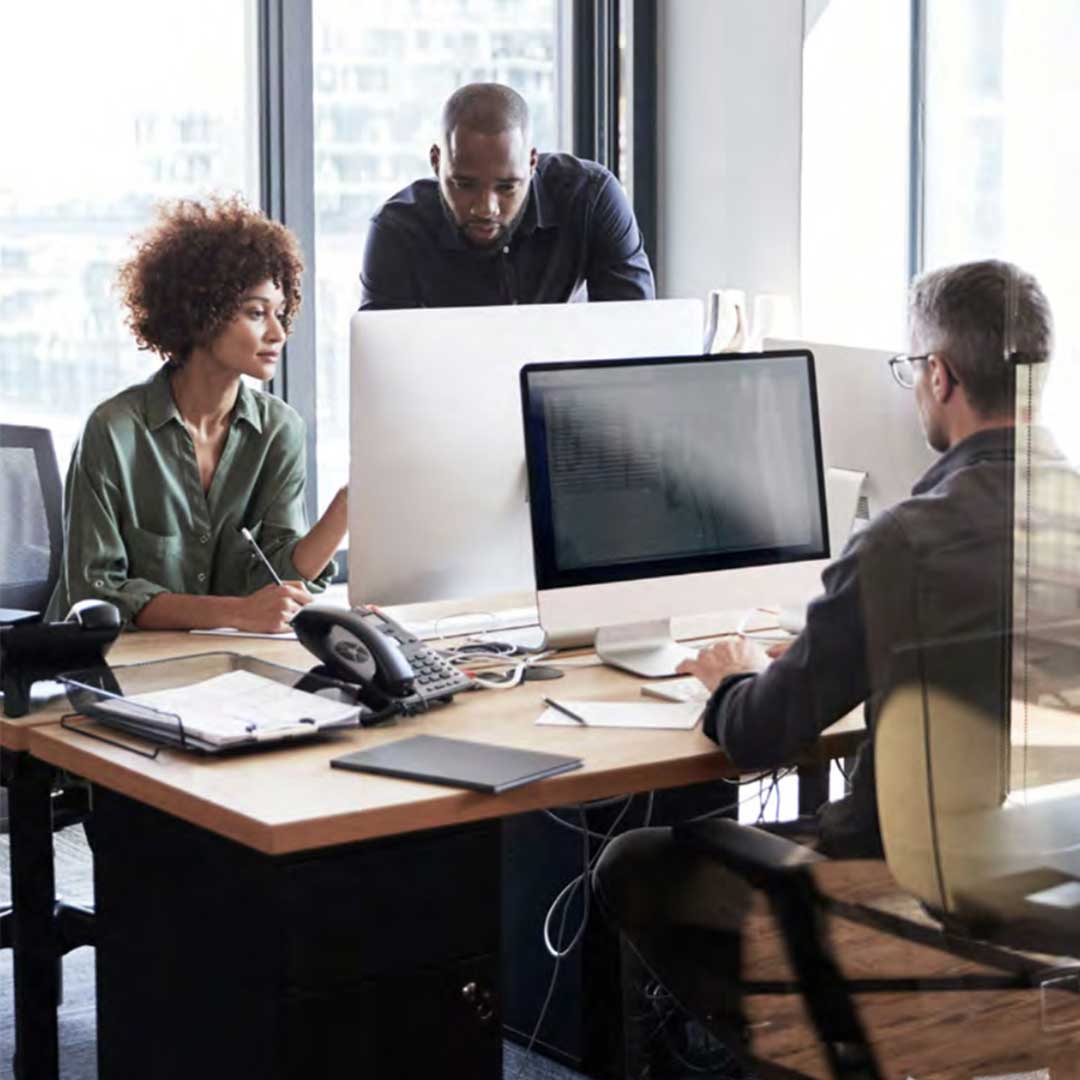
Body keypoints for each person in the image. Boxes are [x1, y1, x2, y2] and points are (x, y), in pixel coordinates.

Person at [592, 259, 1064, 1053]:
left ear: (940, 375)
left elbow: (757, 737)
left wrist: (733, 674)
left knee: (631, 863)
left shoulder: (904, 542)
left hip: (896, 908)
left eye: (913, 369)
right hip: (1051, 909)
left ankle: (829, 1046)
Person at [47, 196, 347, 633]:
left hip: (219, 666)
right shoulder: (113, 432)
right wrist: (237, 614)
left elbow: (278, 577)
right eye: (256, 313)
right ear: (202, 312)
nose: (278, 333)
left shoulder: (280, 431)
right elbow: (97, 590)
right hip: (107, 666)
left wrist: (347, 508)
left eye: (280, 314)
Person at [359, 82, 655, 309]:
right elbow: (386, 370)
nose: (485, 208)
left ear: (531, 163)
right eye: (464, 184)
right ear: (437, 163)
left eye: (506, 187)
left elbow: (636, 332)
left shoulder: (591, 197)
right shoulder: (397, 231)